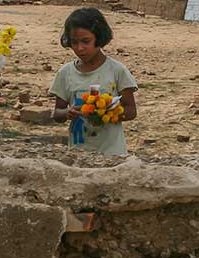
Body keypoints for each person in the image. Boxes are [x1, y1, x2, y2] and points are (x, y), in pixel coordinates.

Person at [50, 8, 138, 155]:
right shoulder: (66, 73)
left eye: (86, 41)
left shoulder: (117, 71)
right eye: (74, 42)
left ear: (99, 38)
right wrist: (67, 113)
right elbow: (57, 114)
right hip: (78, 153)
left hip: (112, 153)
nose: (80, 48)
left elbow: (131, 111)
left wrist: (107, 113)